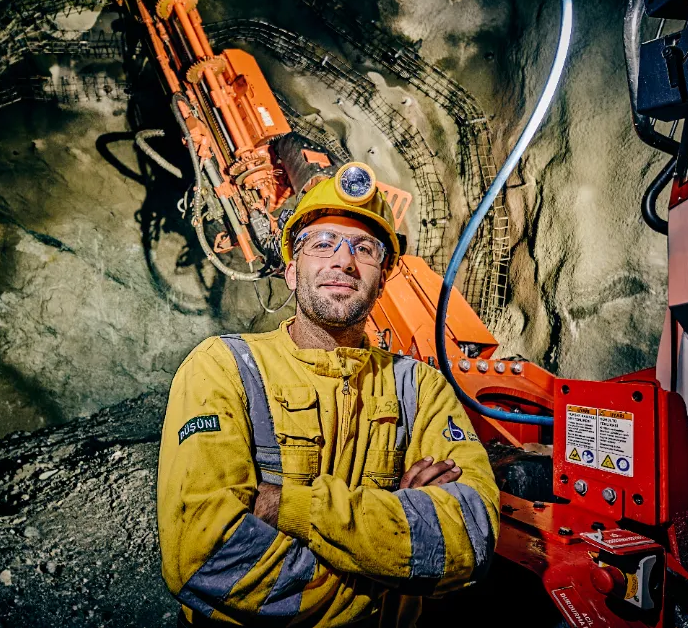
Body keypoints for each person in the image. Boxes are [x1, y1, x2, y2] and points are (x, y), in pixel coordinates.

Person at [157, 163, 499, 626]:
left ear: (383, 279)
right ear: (291, 271)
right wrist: (393, 546)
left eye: (364, 248)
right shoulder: (223, 368)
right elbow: (205, 557)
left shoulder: (421, 387)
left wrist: (284, 505)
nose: (343, 261)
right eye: (322, 244)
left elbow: (470, 537)